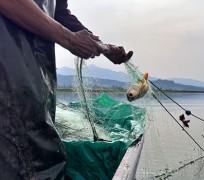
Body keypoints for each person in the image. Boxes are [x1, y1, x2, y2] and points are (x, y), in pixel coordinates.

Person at [0, 0, 132, 179]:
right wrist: (69, 39)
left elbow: (60, 12)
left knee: (39, 155)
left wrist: (102, 46)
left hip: (38, 81)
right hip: (7, 70)